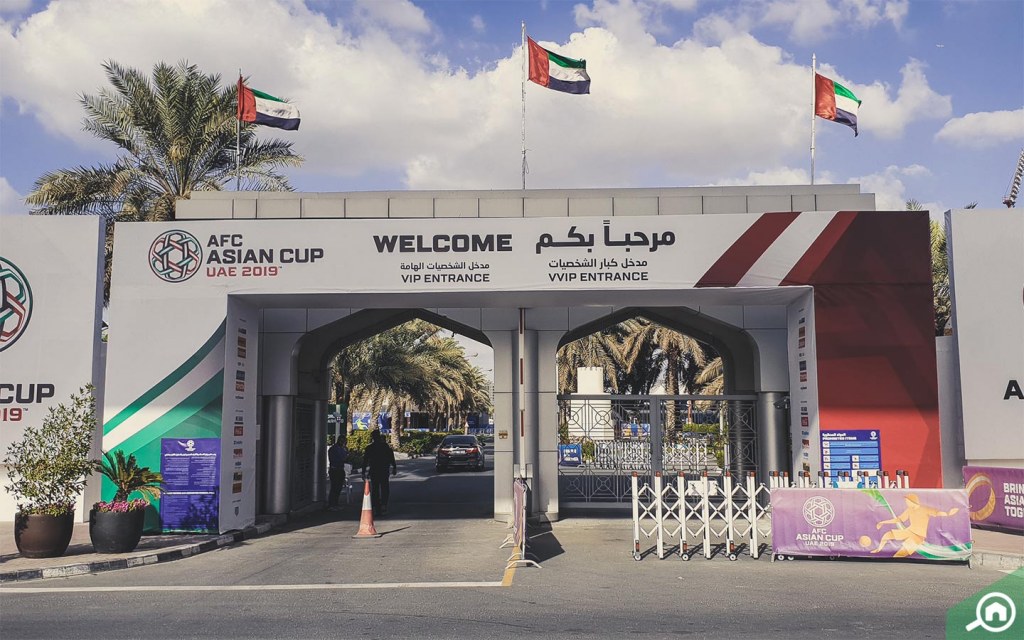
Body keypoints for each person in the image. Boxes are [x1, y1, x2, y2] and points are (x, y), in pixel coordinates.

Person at [361, 429, 397, 516]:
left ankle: (376, 506)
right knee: (385, 488)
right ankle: (384, 504)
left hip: (374, 470)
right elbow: (391, 457)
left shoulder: (370, 448)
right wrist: (394, 467)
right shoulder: (385, 447)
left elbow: (365, 461)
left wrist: (363, 472)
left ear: (372, 438)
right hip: (384, 470)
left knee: (375, 489)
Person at [327, 434, 348, 511]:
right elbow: (343, 458)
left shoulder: (336, 448)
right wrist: (346, 454)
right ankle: (332, 504)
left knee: (338, 487)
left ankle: (335, 503)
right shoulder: (337, 449)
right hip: (336, 469)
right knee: (335, 487)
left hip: (338, 468)